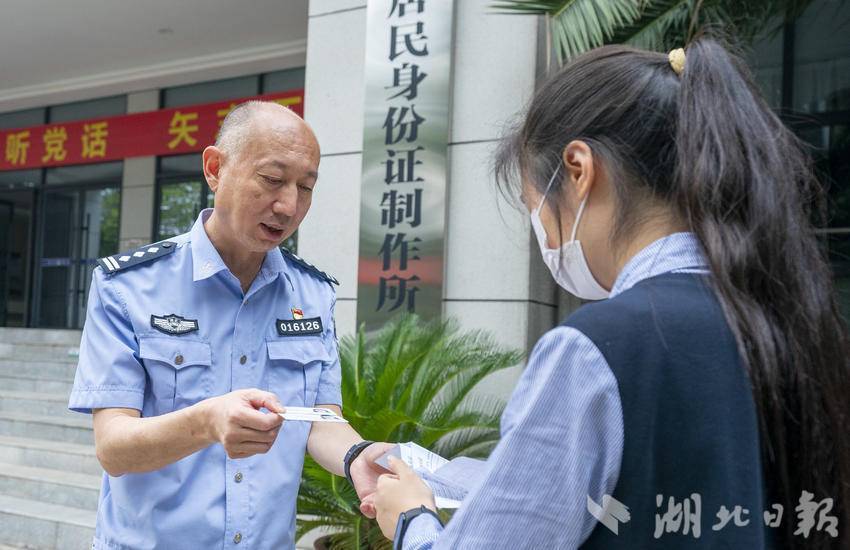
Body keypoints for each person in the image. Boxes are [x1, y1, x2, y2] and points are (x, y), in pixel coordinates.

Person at [372, 39, 850, 549]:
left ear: (579, 170)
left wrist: (410, 518)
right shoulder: (784, 324)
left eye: (534, 206)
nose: (543, 234)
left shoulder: (595, 348)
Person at [68, 101, 391, 549]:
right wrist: (207, 422)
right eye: (272, 179)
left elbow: (320, 420)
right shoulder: (127, 287)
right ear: (215, 169)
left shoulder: (313, 294)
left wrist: (358, 456)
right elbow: (114, 448)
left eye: (306, 187)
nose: (289, 205)